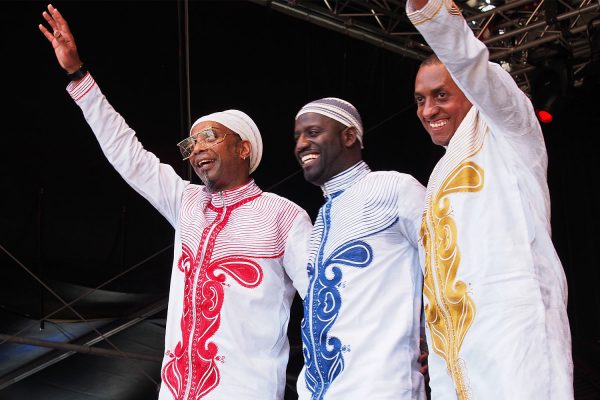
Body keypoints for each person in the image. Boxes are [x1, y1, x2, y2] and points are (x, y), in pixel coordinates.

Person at [39, 4, 313, 399]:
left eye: (210, 137)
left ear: (244, 148)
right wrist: (78, 74)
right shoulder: (187, 202)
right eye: (191, 142)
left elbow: (324, 299)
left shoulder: (283, 216)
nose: (196, 148)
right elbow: (127, 152)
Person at [406, 0, 573, 398]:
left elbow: (472, 65)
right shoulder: (441, 171)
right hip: (456, 348)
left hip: (515, 334)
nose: (429, 110)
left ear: (472, 90)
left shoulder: (509, 130)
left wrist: (427, 10)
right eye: (419, 99)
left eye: (441, 94)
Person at [293, 97, 427, 399]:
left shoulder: (392, 188)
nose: (301, 144)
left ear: (349, 136)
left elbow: (444, 263)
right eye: (298, 137)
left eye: (313, 132)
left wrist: (434, 339)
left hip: (380, 387)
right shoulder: (322, 218)